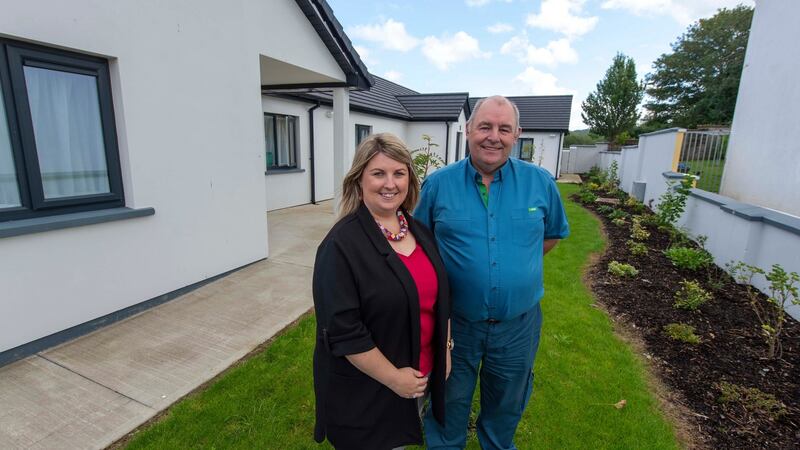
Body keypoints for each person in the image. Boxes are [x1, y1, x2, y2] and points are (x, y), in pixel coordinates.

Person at [416, 96, 569, 449]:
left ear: (517, 134)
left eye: (504, 129)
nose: (493, 137)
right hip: (455, 324)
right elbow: (421, 245)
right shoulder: (438, 185)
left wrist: (516, 266)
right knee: (448, 399)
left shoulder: (540, 182)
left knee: (506, 401)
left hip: (518, 326)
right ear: (469, 129)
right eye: (485, 126)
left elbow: (550, 236)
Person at [312, 132, 452, 450]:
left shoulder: (420, 232)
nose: (390, 183)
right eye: (378, 173)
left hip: (418, 379)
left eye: (399, 173)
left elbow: (441, 299)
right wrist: (394, 379)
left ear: (409, 179)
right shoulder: (340, 246)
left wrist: (445, 348)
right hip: (368, 392)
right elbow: (344, 331)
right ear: (359, 179)